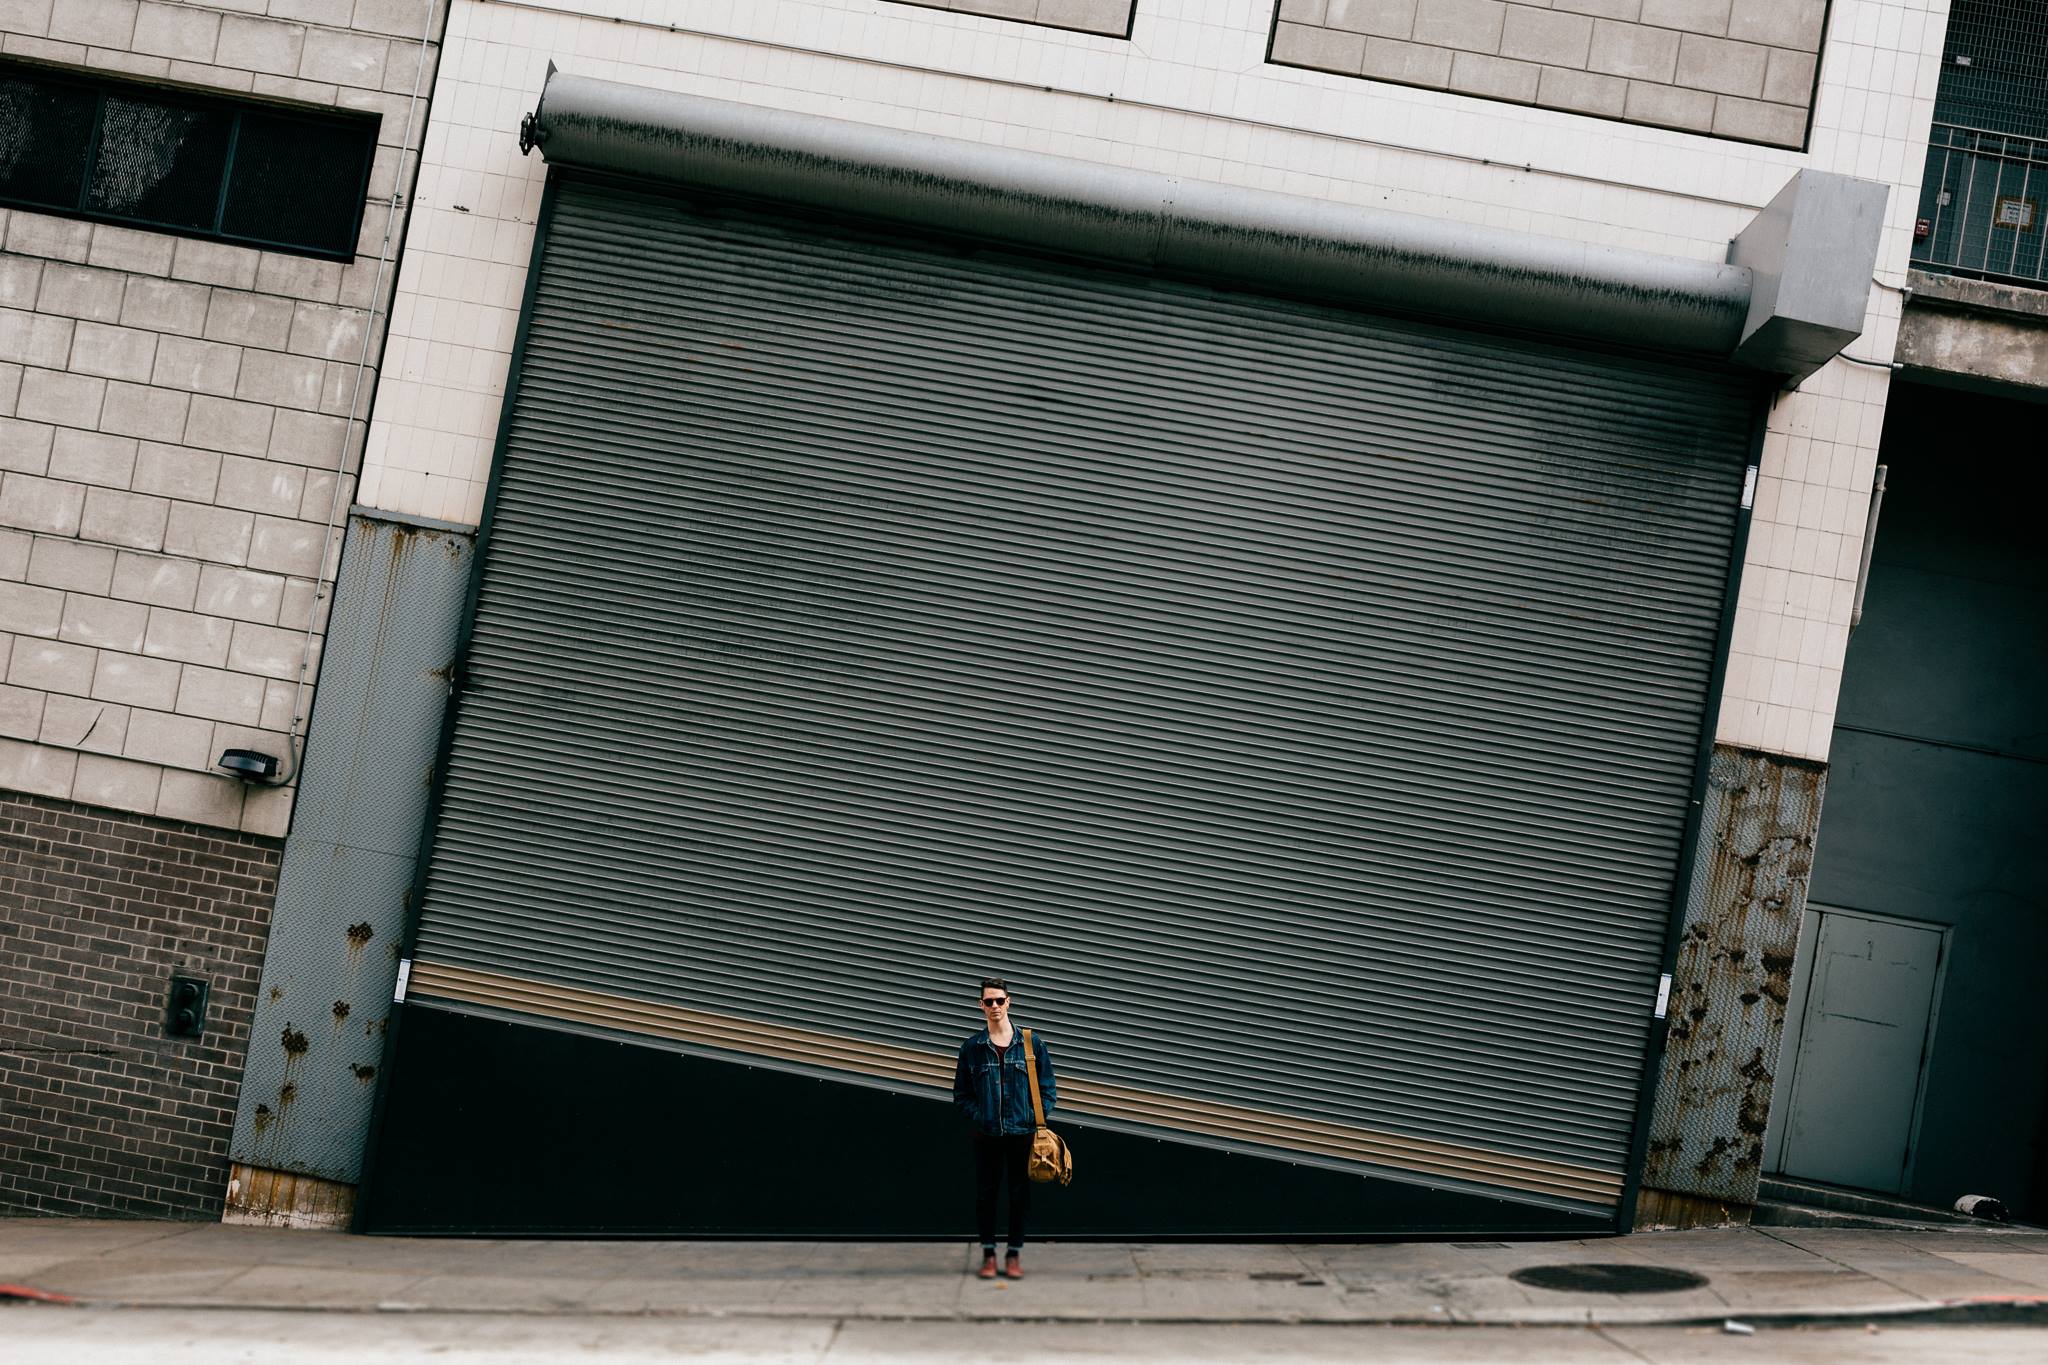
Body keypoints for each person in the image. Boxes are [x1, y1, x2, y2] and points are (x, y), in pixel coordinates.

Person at [952, 976, 1056, 1280]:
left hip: (1022, 1134)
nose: (995, 1006)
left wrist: (1033, 1116)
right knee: (986, 1196)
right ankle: (988, 1254)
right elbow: (961, 1094)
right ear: (981, 1005)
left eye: (1000, 1000)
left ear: (1009, 1002)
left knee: (1019, 1195)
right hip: (987, 1135)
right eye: (989, 1001)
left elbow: (1048, 1088)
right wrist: (981, 1115)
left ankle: (1013, 1254)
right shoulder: (972, 1048)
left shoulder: (1031, 1043)